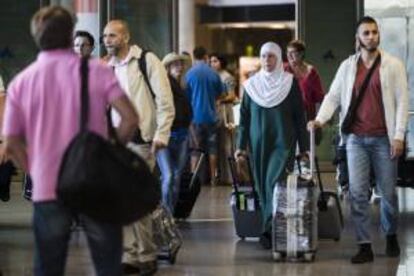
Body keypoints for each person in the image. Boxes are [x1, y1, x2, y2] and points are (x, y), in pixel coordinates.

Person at [2, 6, 138, 276]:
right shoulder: (97, 72)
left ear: (36, 36)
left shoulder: (22, 82)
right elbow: (131, 119)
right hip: (95, 181)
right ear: (70, 33)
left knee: (48, 267)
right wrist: (111, 151)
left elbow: (11, 142)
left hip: (48, 188)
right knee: (108, 266)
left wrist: (33, 169)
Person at [308, 16, 408, 264]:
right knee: (357, 194)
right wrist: (320, 119)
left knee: (388, 193)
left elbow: (403, 101)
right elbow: (332, 96)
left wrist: (398, 136)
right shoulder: (347, 66)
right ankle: (364, 245)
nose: (371, 36)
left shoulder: (393, 65)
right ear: (358, 38)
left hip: (384, 140)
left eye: (374, 32)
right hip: (355, 140)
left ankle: (391, 234)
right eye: (366, 33)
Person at [103, 19, 175, 275]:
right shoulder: (106, 68)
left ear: (125, 37)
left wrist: (161, 135)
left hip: (144, 141)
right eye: (105, 36)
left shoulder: (147, 60)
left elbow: (165, 101)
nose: (107, 40)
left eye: (112, 35)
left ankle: (143, 254)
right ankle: (134, 254)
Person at [235, 42, 308, 249]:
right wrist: (240, 147)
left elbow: (299, 118)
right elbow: (244, 118)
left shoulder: (290, 83)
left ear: (279, 58)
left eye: (272, 56)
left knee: (274, 184)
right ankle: (273, 228)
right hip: (258, 145)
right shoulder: (251, 86)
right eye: (264, 56)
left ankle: (268, 229)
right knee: (262, 188)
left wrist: (304, 148)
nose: (267, 61)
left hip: (282, 144)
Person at [185, 46, 225, 186]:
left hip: (195, 118)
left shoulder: (189, 74)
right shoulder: (214, 74)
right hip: (212, 117)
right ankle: (214, 178)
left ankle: (194, 179)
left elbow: (186, 97)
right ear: (206, 56)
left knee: (195, 150)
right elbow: (220, 94)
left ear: (194, 56)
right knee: (213, 149)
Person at [158, 52, 192, 213]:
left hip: (182, 135)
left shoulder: (183, 86)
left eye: (181, 64)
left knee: (176, 177)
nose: (179, 67)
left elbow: (187, 111)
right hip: (166, 136)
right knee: (169, 175)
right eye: (175, 64)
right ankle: (165, 213)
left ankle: (169, 214)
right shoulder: (163, 85)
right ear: (168, 67)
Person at [210, 53, 236, 185]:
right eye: (211, 61)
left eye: (215, 61)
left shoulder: (227, 77)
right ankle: (219, 174)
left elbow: (232, 96)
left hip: (226, 112)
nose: (212, 64)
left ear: (221, 62)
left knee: (227, 144)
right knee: (217, 145)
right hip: (216, 111)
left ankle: (229, 177)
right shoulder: (213, 76)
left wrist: (220, 99)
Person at [284, 40, 324, 121]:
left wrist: (325, 116)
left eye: (293, 52)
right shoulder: (283, 69)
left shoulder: (311, 71)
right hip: (287, 115)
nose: (289, 55)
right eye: (288, 52)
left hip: (307, 115)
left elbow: (320, 96)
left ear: (301, 54)